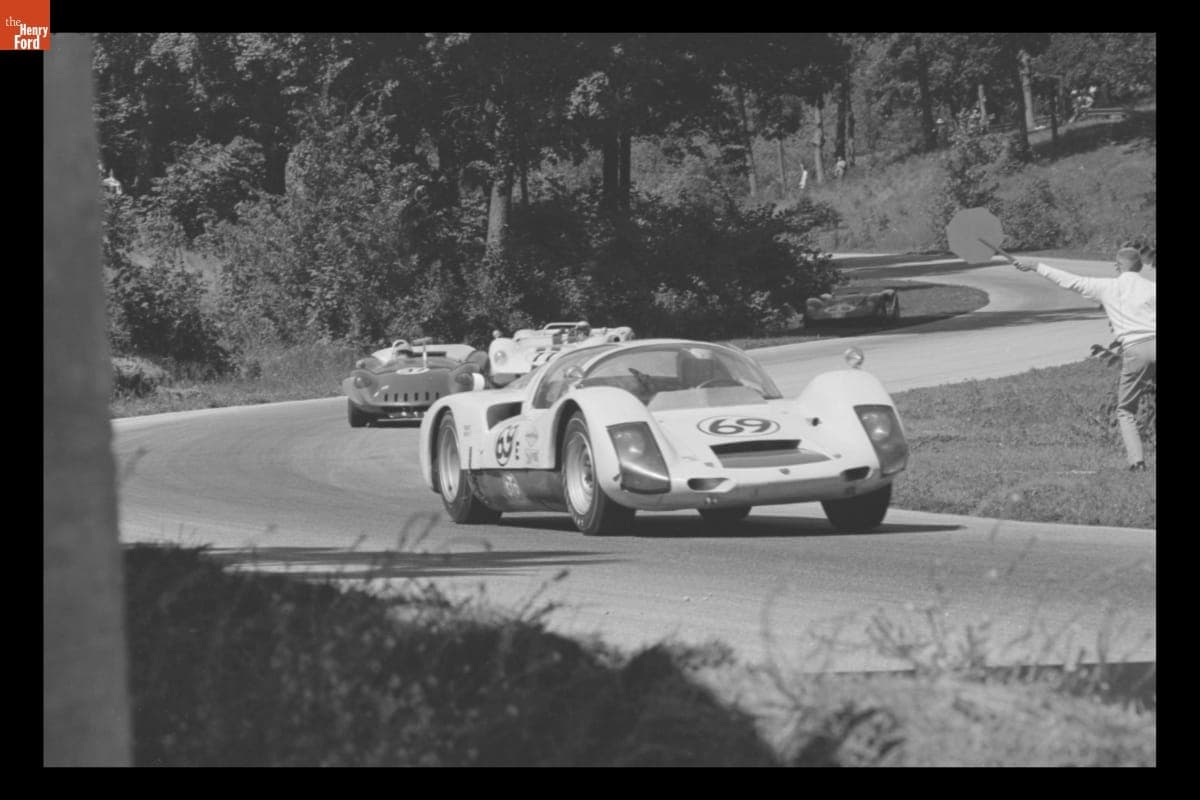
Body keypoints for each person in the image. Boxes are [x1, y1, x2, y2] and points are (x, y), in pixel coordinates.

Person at [1012, 248, 1156, 470]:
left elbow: (1070, 281)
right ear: (1140, 266)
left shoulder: (1108, 287)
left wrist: (1035, 265)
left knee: (1126, 409)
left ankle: (1137, 463)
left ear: (1117, 266)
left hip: (1136, 350)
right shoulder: (1152, 287)